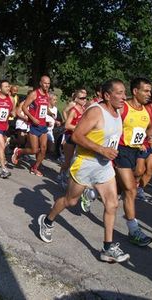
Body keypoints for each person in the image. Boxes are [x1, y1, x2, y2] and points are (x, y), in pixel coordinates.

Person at [38, 79, 130, 263]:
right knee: (70, 201)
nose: (123, 96)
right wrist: (102, 149)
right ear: (106, 95)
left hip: (104, 166)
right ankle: (47, 221)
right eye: (118, 93)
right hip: (86, 163)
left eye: (124, 92)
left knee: (112, 204)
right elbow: (77, 136)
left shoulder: (118, 111)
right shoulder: (96, 111)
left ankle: (107, 247)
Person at [114, 77, 152, 247]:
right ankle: (134, 230)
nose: (149, 94)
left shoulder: (146, 111)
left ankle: (92, 192)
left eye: (150, 91)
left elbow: (149, 127)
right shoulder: (123, 108)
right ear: (135, 91)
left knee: (121, 186)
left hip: (135, 151)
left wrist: (150, 138)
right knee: (130, 190)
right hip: (120, 150)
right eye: (146, 91)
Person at [12, 75, 51, 176]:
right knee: (34, 150)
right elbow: (25, 107)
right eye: (45, 83)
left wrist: (50, 115)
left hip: (43, 125)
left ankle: (35, 167)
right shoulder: (34, 94)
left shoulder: (47, 95)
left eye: (48, 83)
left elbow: (44, 108)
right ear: (40, 83)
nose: (47, 85)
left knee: (43, 148)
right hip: (33, 125)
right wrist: (32, 118)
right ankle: (19, 152)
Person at [57, 89, 87, 188]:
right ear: (76, 99)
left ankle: (69, 178)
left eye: (85, 97)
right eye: (82, 98)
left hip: (79, 138)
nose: (84, 100)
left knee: (77, 161)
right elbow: (67, 125)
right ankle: (62, 175)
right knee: (68, 161)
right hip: (70, 137)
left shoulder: (84, 110)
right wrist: (78, 128)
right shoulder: (74, 110)